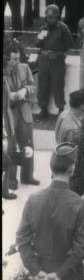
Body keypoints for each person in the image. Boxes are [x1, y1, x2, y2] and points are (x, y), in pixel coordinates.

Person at [16, 143, 84, 280]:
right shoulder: (79, 204)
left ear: (52, 168)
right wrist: (60, 274)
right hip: (69, 279)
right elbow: (81, 247)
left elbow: (22, 240)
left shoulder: (33, 200)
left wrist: (36, 270)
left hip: (41, 278)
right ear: (72, 169)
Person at [4, 42, 38, 187]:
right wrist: (9, 95)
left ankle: (28, 176)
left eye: (18, 58)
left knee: (28, 145)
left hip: (25, 112)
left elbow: (32, 84)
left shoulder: (25, 67)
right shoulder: (4, 71)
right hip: (9, 114)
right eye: (14, 59)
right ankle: (11, 180)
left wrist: (25, 90)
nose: (18, 62)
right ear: (7, 59)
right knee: (11, 146)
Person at [34, 3, 74, 121]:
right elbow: (37, 44)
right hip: (44, 59)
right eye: (48, 17)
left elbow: (70, 44)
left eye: (52, 17)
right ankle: (43, 110)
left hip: (57, 60)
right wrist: (40, 38)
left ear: (57, 17)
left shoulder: (63, 28)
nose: (50, 20)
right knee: (42, 85)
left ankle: (60, 110)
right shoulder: (43, 28)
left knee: (58, 85)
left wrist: (58, 52)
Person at [3, 72, 19, 200]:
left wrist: (11, 130)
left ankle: (4, 190)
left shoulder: (5, 82)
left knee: (7, 159)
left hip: (7, 124)